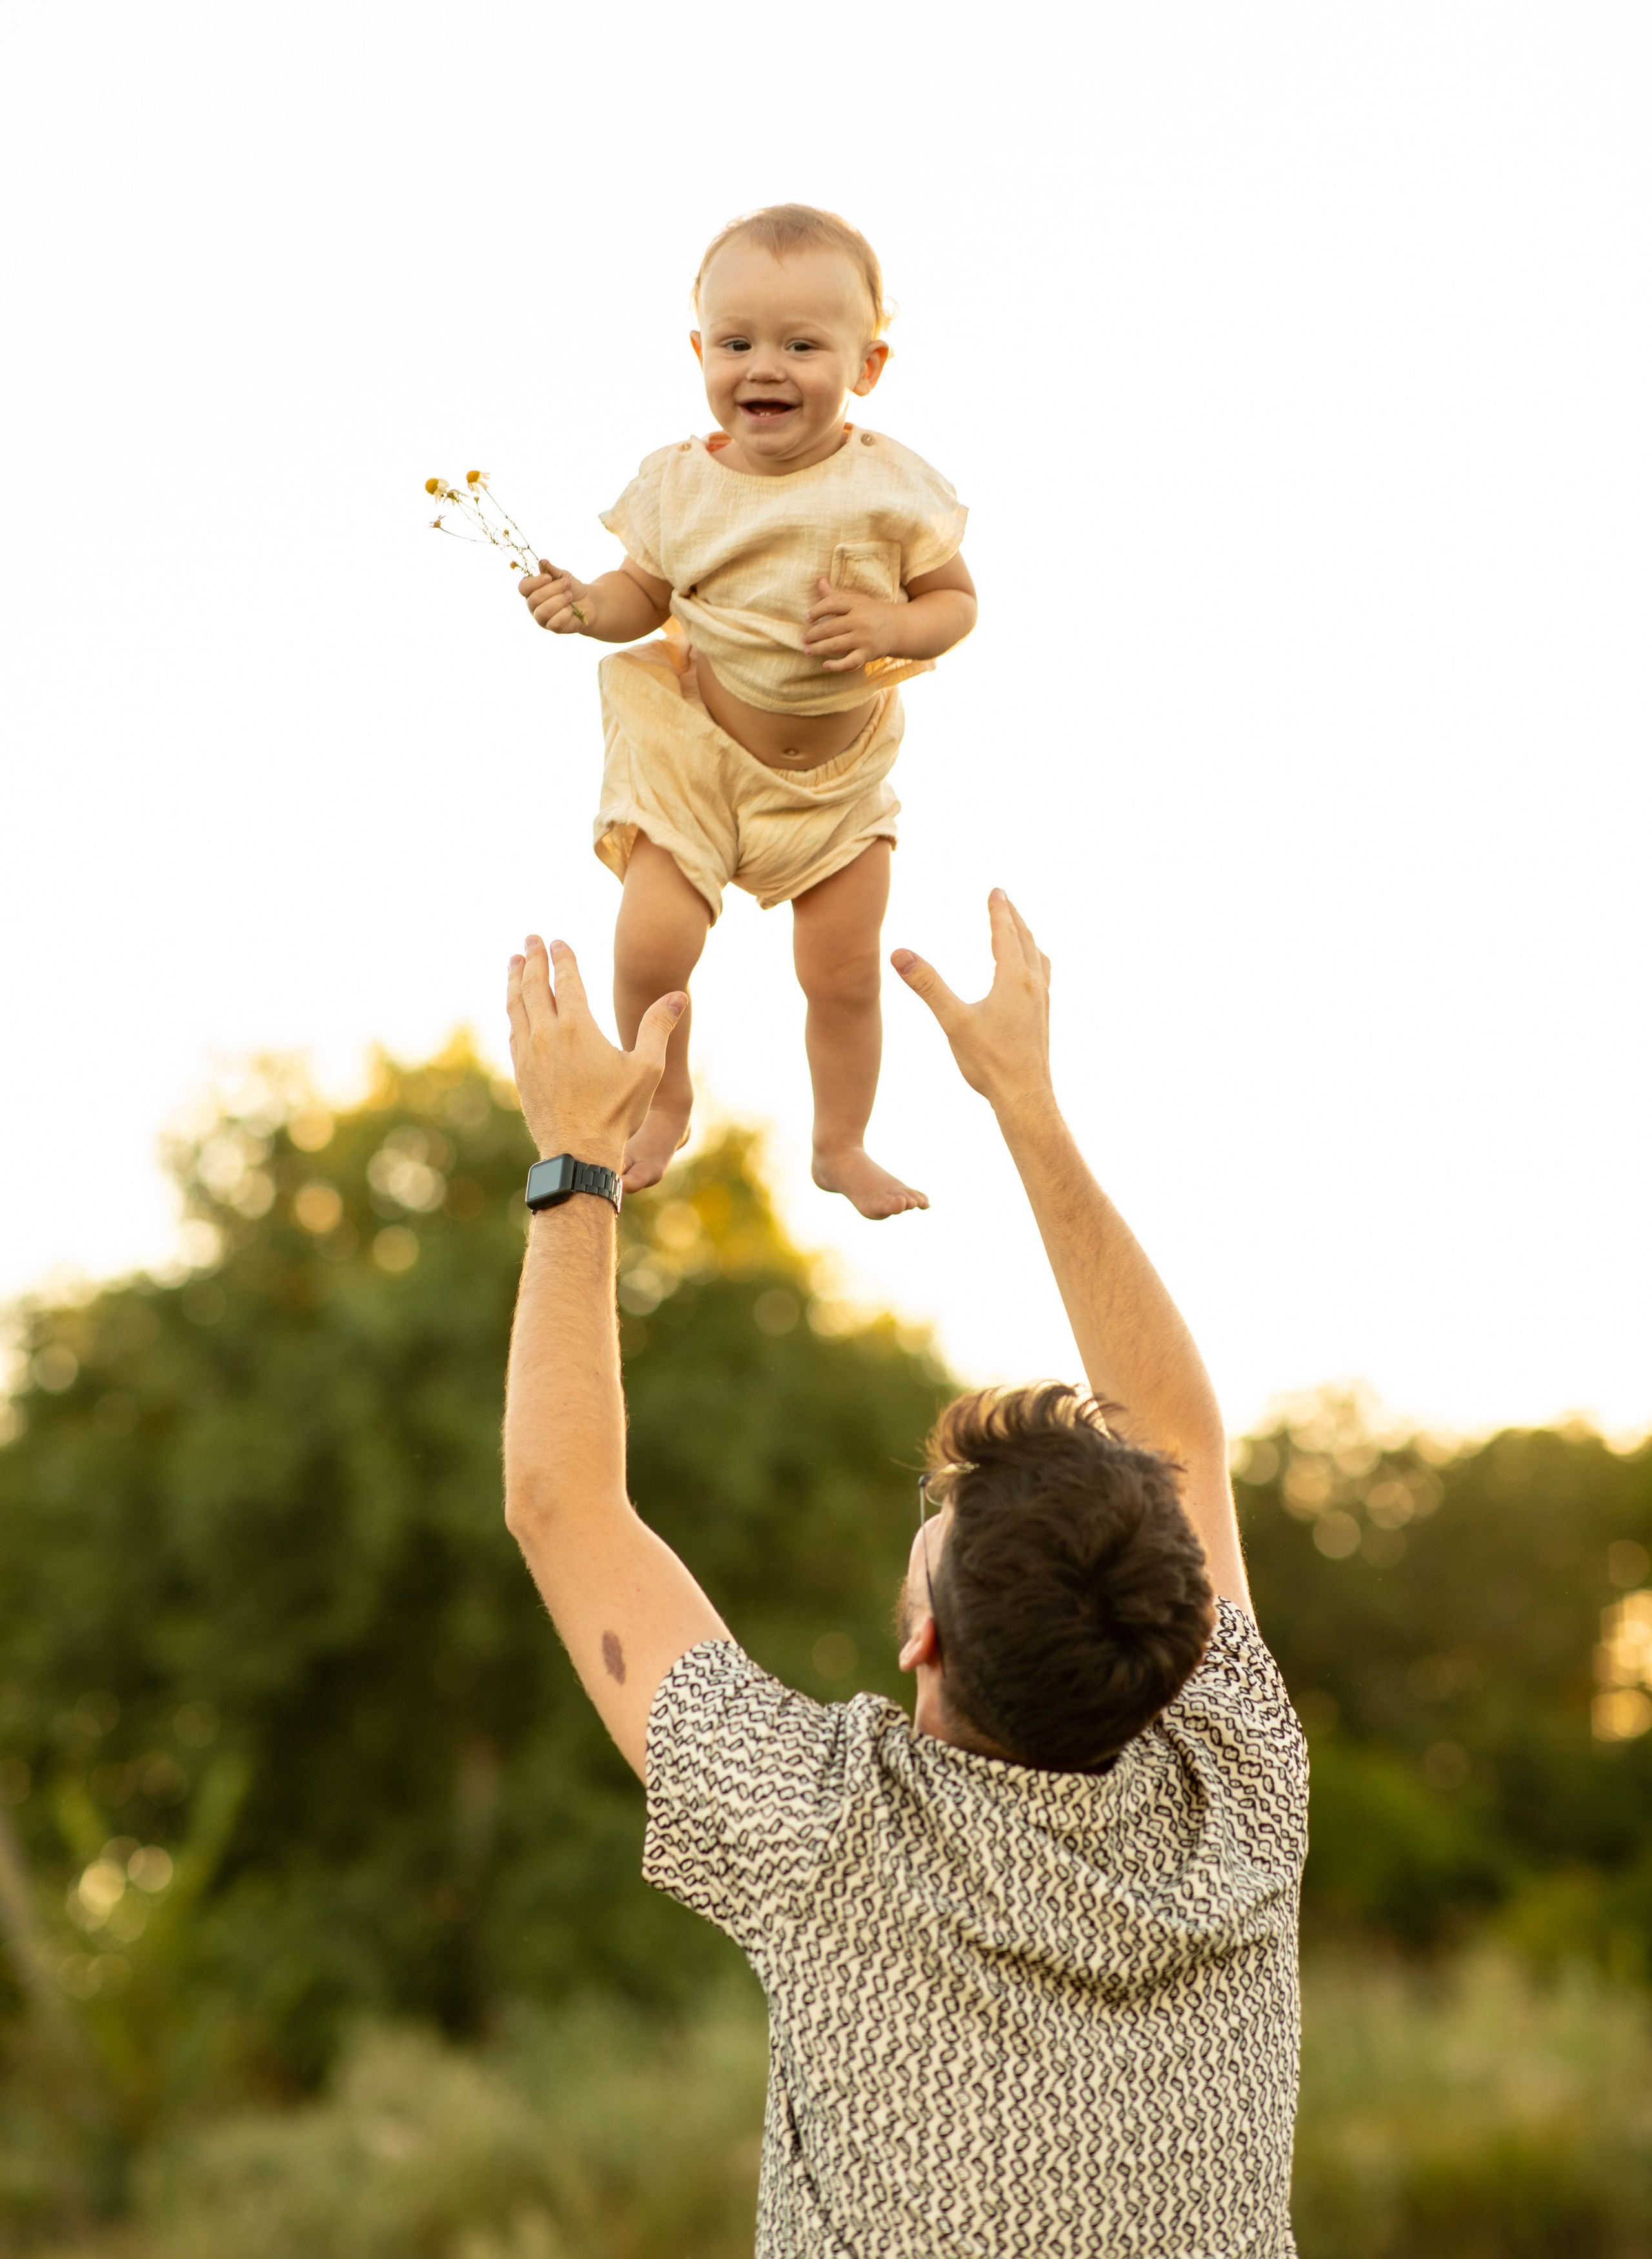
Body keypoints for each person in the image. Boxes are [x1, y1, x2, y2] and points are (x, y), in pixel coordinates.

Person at [501, 892, 1307, 2259]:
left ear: (921, 1638)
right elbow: (1174, 1436)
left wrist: (574, 1162)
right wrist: (1026, 1109)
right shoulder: (1241, 1788)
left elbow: (558, 1504)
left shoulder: (829, 1840)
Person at [517, 204, 976, 1218]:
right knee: (649, 947)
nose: (764, 366)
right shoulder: (680, 486)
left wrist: (894, 624)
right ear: (699, 352)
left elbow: (958, 607)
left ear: (868, 367)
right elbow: (643, 592)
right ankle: (663, 1102)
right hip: (701, 757)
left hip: (837, 786)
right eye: (736, 343)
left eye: (802, 345)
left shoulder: (891, 487)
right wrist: (589, 608)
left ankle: (841, 1143)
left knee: (844, 973)